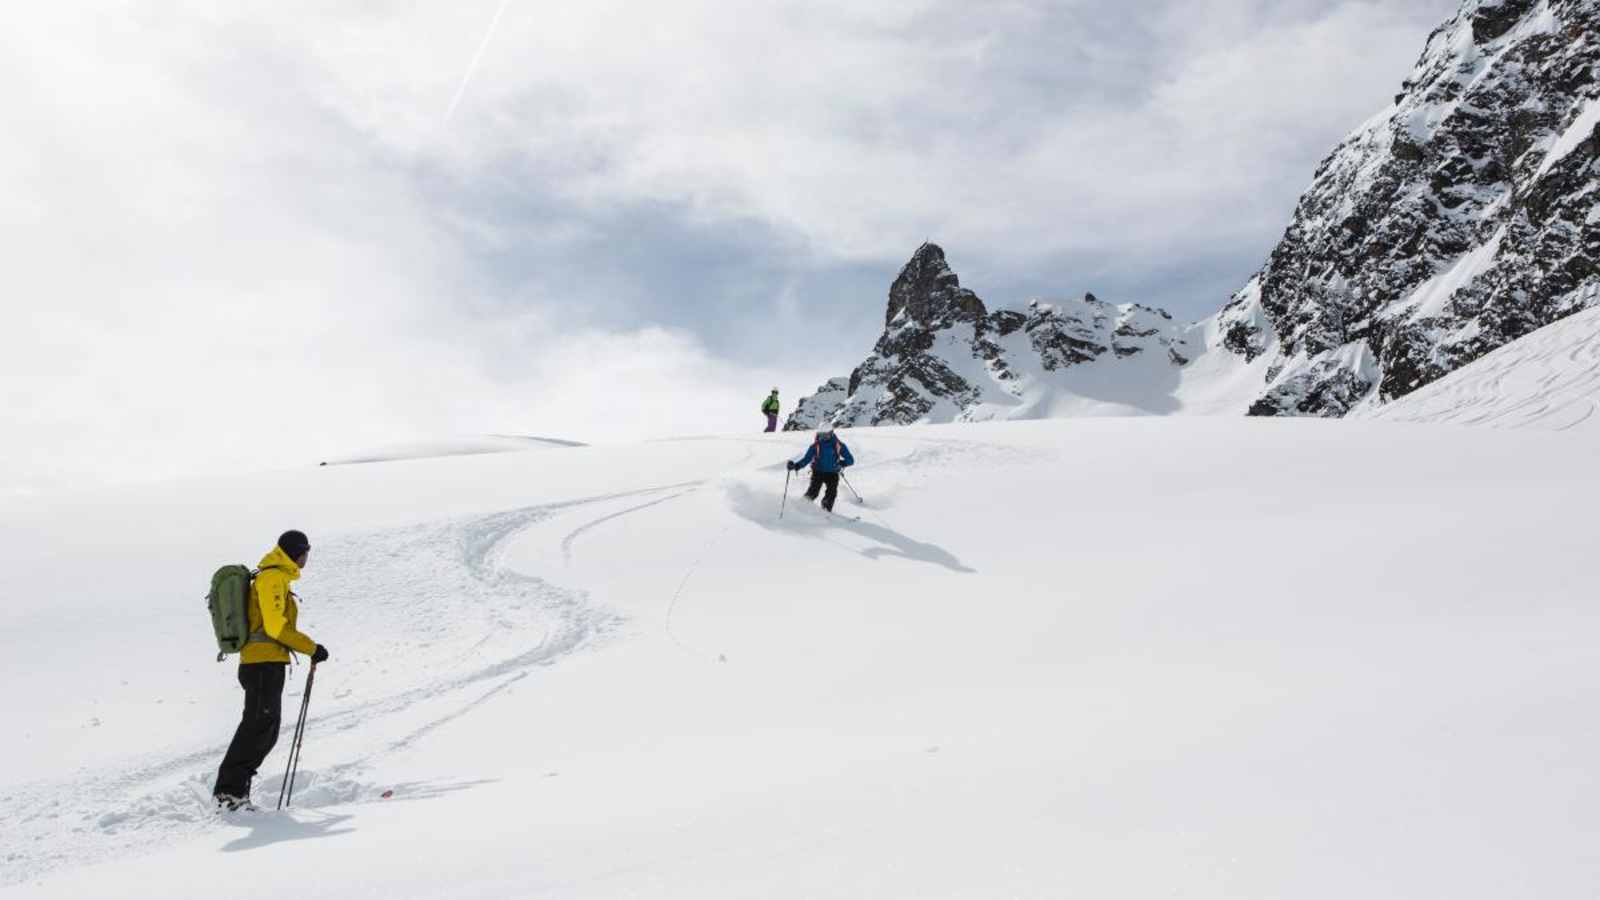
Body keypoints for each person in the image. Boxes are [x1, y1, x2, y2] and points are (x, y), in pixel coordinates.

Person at [212, 529, 330, 812]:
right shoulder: (271, 578)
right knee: (257, 727)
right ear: (294, 552)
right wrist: (311, 648)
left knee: (266, 729)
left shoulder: (277, 577)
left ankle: (237, 792)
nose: (306, 557)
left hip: (268, 663)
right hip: (261, 664)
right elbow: (276, 626)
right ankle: (228, 794)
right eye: (305, 551)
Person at [787, 424, 855, 512]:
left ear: (831, 433)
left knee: (831, 493)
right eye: (821, 435)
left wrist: (841, 463)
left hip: (833, 473)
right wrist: (796, 466)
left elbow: (850, 460)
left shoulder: (839, 445)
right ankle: (801, 507)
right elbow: (806, 459)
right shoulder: (816, 445)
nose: (823, 437)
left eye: (825, 435)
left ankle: (825, 511)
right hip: (818, 472)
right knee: (813, 492)